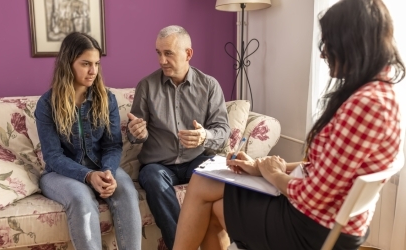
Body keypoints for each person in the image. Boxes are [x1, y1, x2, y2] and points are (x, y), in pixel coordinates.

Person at [173, 0, 405, 249]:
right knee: (211, 199)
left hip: (312, 228)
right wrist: (259, 167)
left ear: (352, 43)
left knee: (203, 185)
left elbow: (312, 196)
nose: (323, 53)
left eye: (328, 43)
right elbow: (328, 169)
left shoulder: (366, 104)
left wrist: (272, 173)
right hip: (325, 220)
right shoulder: (378, 94)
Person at [127, 25, 231, 249]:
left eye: (168, 53)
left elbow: (223, 132)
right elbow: (134, 133)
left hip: (196, 161)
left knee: (220, 172)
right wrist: (137, 133)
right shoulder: (146, 86)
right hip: (159, 166)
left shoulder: (209, 86)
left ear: (188, 54)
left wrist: (205, 136)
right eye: (158, 53)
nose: (162, 60)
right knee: (153, 177)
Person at [35, 32, 141, 250]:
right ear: (68, 63)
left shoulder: (107, 98)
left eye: (96, 64)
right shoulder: (47, 104)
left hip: (101, 165)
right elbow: (53, 156)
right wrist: (88, 176)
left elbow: (112, 145)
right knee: (81, 199)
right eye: (85, 64)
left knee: (127, 191)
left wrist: (108, 172)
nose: (93, 71)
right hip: (59, 173)